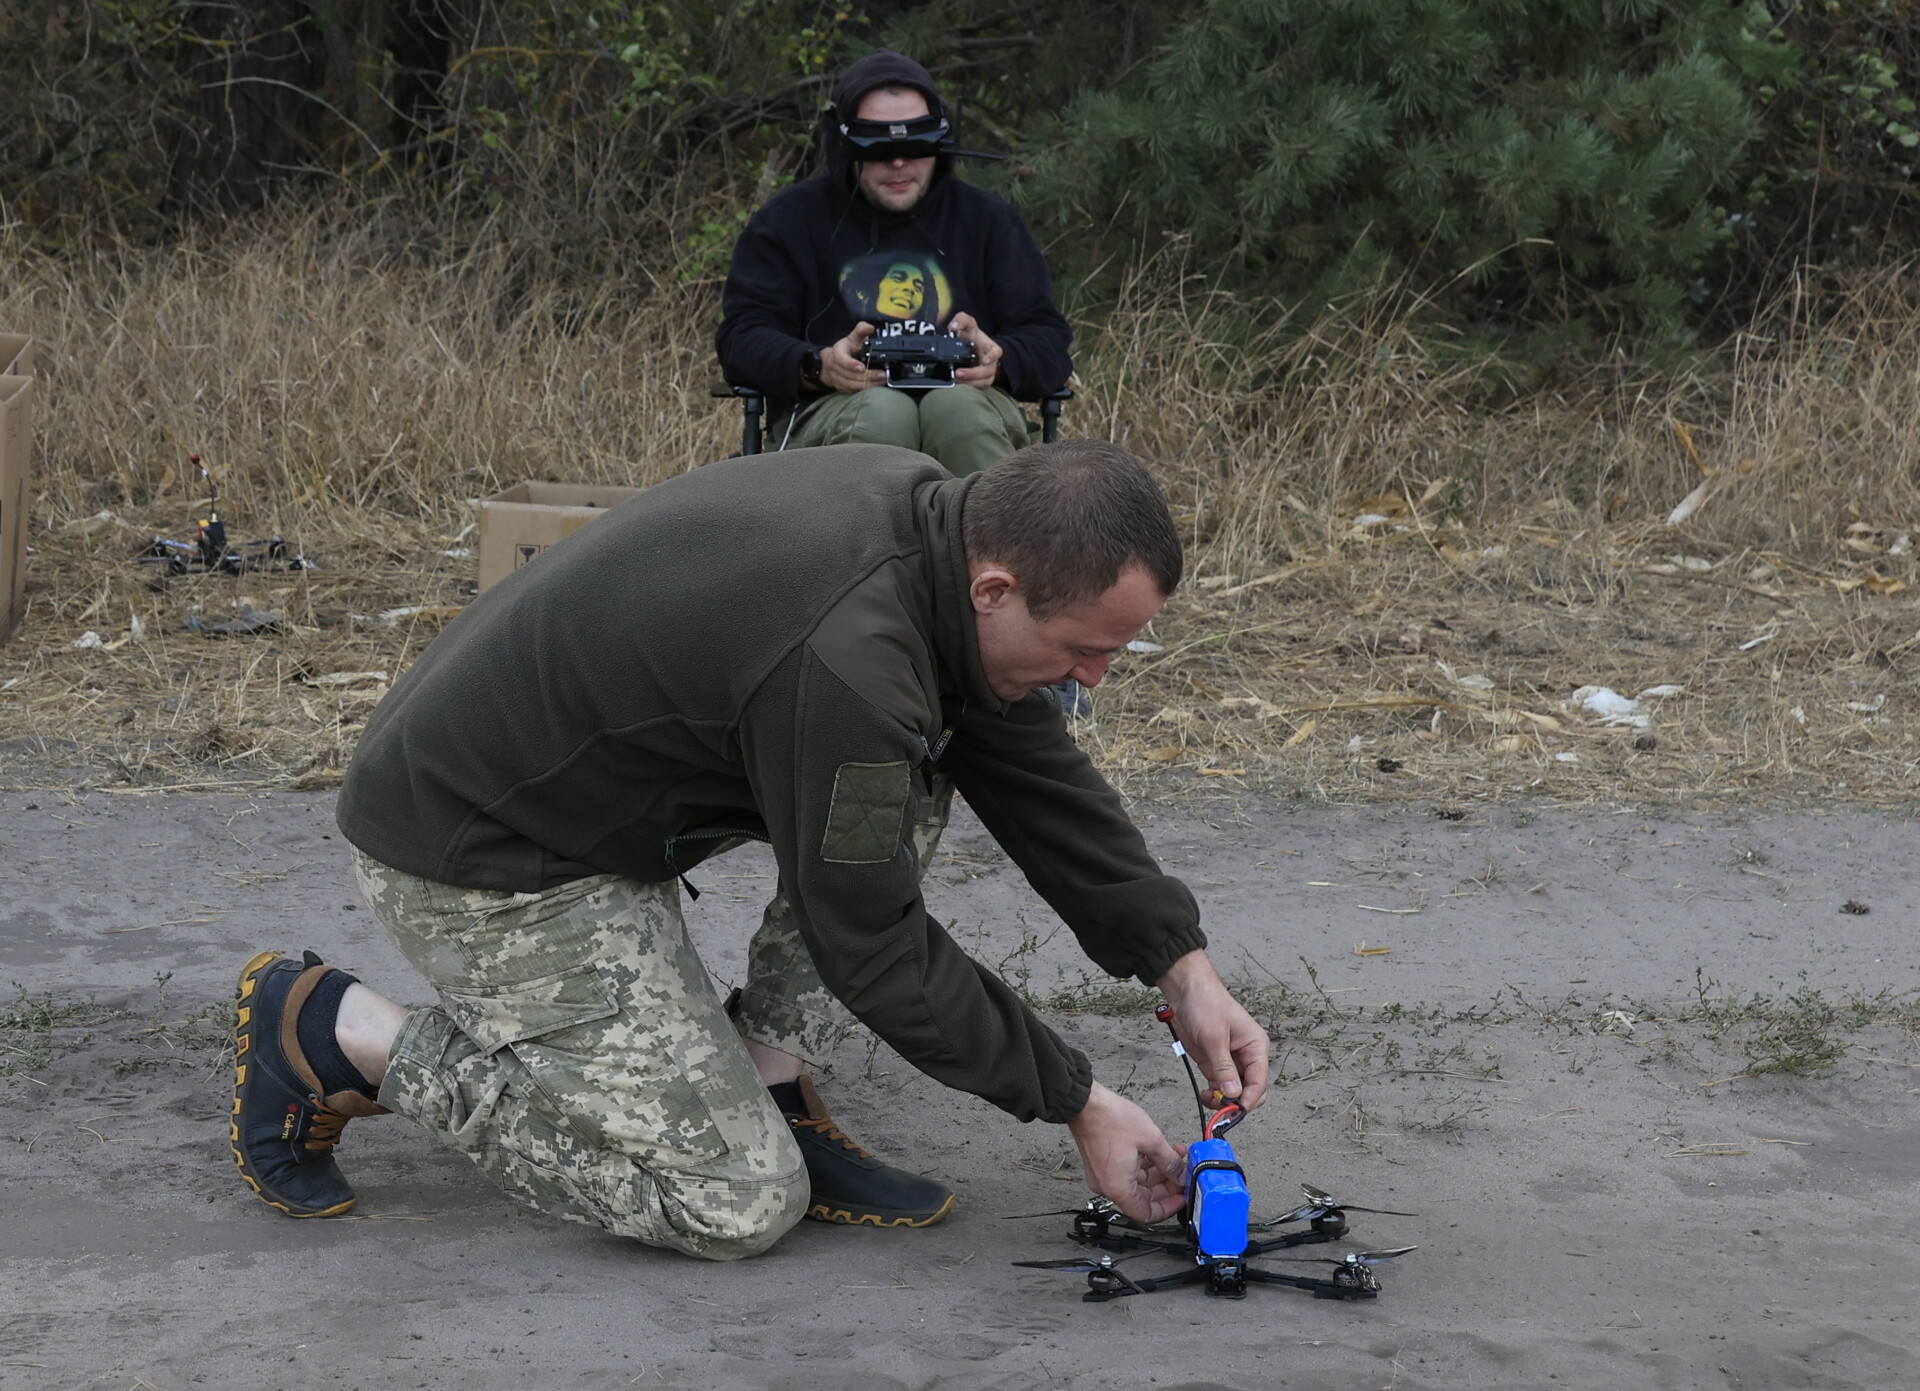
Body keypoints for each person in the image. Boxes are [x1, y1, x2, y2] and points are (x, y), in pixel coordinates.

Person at [228, 440, 1269, 1261]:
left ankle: (768, 1088)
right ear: (995, 587)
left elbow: (1033, 771)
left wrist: (1183, 965)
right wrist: (1078, 1099)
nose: (1096, 676)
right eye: (1087, 647)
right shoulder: (854, 665)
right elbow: (871, 945)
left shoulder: (934, 524)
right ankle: (338, 1029)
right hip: (487, 858)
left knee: (934, 756)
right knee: (732, 1199)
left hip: (568, 798)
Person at [715, 49, 1072, 479]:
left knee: (957, 414)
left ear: (940, 143)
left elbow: (1048, 338)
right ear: (847, 146)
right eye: (880, 147)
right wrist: (817, 365)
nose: (899, 162)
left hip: (970, 403)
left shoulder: (988, 222)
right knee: (881, 413)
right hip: (834, 408)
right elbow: (742, 337)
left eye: (917, 144)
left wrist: (1001, 359)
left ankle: (990, 546)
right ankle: (859, 548)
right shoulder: (789, 222)